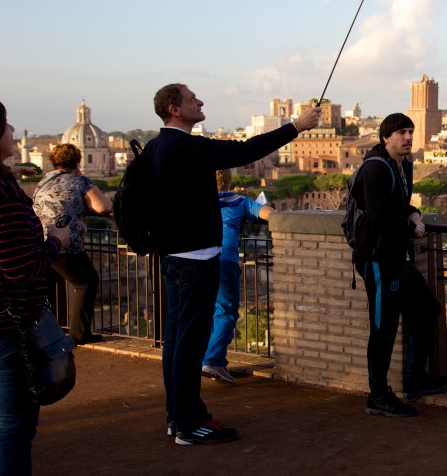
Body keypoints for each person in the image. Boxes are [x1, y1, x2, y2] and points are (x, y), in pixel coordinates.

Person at [148, 84, 320, 445]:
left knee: (177, 342)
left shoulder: (155, 147)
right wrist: (296, 127)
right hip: (197, 259)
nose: (201, 101)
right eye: (193, 99)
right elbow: (245, 151)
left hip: (172, 256)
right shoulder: (188, 146)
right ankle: (189, 423)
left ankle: (175, 415)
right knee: (191, 344)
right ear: (174, 109)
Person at [0, 98, 69, 476]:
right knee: (14, 432)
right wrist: (54, 240)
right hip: (4, 332)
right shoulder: (0, 196)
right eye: (6, 125)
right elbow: (21, 270)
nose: (14, 131)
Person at [350, 113, 447, 417]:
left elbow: (399, 205)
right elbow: (379, 215)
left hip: (395, 258)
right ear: (386, 137)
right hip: (377, 259)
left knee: (426, 308)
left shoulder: (402, 166)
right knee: (383, 327)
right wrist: (410, 228)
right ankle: (377, 395)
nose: (407, 137)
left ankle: (414, 378)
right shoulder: (375, 168)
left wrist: (415, 213)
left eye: (410, 131)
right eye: (401, 132)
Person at [32, 143, 113, 345]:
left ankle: (49, 334)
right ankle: (80, 333)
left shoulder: (43, 181)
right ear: (78, 160)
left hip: (40, 243)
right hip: (65, 243)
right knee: (86, 281)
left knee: (48, 288)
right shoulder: (79, 181)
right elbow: (104, 207)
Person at [201, 168, 273, 385]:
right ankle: (212, 361)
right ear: (229, 179)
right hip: (224, 260)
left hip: (197, 261)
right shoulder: (239, 201)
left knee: (206, 310)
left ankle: (210, 359)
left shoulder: (196, 201)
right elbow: (268, 213)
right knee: (226, 310)